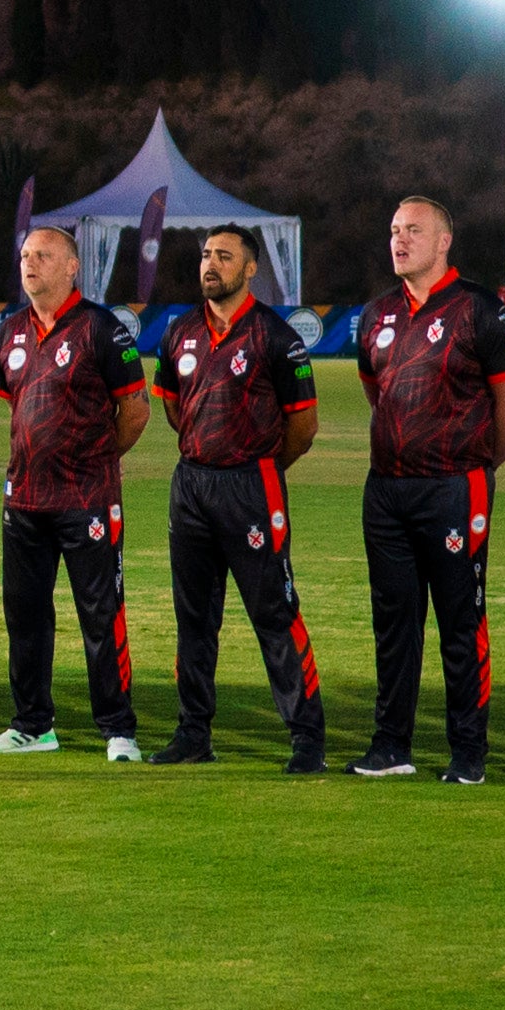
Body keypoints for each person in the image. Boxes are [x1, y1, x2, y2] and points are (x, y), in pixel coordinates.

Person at [344, 196, 505, 781]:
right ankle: (390, 747)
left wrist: (472, 464)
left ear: (443, 241)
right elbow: (378, 394)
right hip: (387, 491)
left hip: (455, 488)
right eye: (395, 230)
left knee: (459, 619)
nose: (399, 240)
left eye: (413, 231)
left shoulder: (480, 310)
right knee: (393, 622)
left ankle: (468, 753)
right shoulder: (376, 314)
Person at [155, 223, 328, 769]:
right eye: (206, 255)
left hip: (252, 485)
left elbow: (303, 424)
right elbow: (172, 406)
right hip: (192, 485)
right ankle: (193, 734)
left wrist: (260, 469)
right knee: (194, 618)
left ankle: (306, 738)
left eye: (224, 256)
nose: (211, 264)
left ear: (250, 269)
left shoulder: (275, 336)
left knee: (274, 611)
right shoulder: (180, 331)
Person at [0, 220, 145, 758]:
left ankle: (118, 729)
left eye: (44, 256)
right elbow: (19, 404)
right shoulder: (9, 331)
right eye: (26, 254)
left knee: (100, 614)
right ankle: (33, 725)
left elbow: (136, 410)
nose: (30, 264)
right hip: (25, 499)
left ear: (72, 266)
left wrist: (96, 461)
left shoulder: (102, 328)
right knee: (24, 616)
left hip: (86, 499)